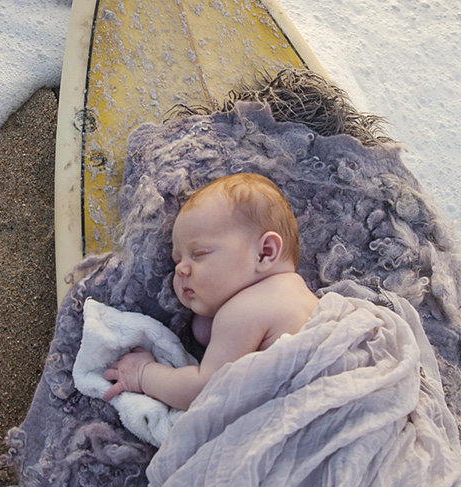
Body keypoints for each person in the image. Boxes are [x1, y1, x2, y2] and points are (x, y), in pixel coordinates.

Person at [103, 173, 319, 411]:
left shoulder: (244, 310)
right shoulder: (297, 294)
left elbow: (205, 391)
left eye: (200, 254)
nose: (181, 269)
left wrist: (143, 374)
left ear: (265, 253)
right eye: (177, 259)